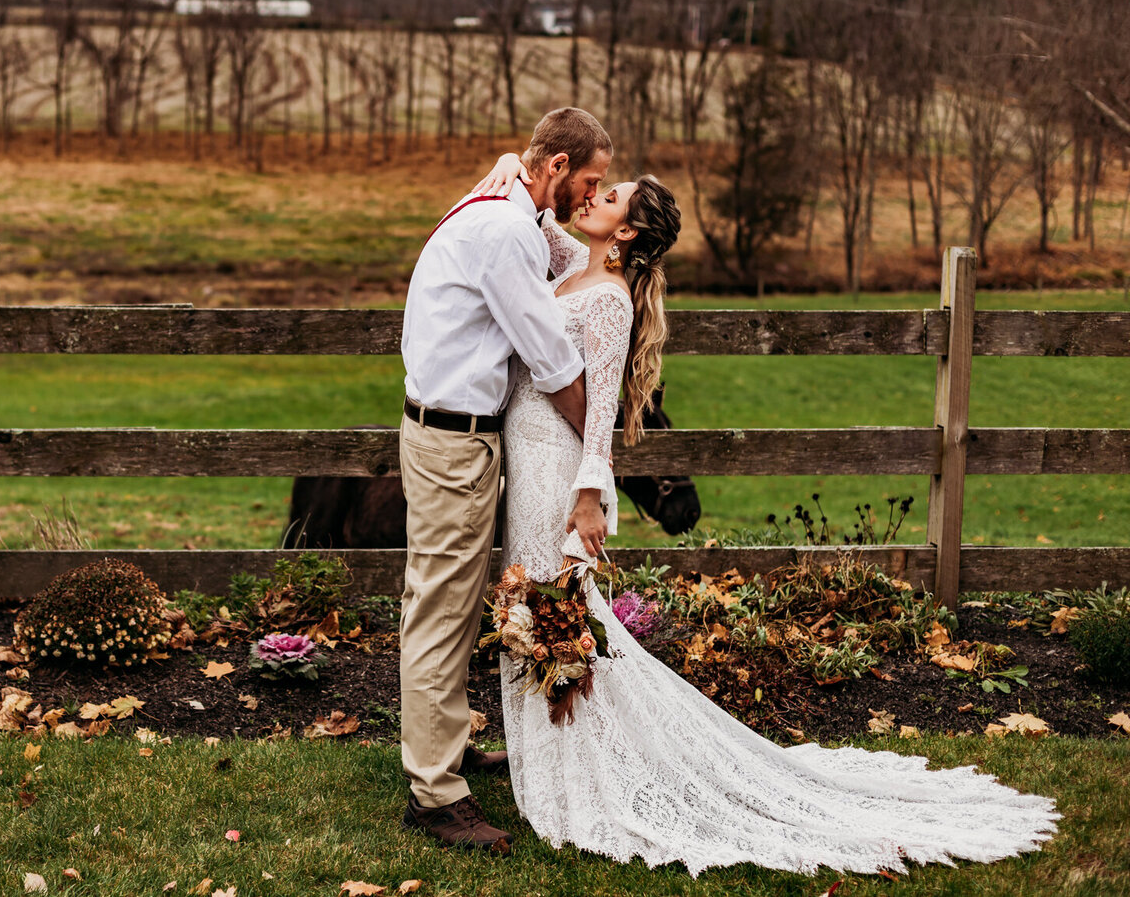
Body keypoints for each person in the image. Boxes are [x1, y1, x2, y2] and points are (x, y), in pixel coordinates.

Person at [470, 152, 1063, 877]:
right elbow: (540, 215)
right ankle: (546, 751)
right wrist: (513, 165)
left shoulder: (608, 300)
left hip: (558, 468)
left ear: (624, 234)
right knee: (531, 600)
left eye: (611, 195)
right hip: (524, 456)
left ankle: (575, 761)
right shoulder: (576, 264)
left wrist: (590, 496)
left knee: (552, 606)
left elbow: (600, 414)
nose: (593, 195)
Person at [397, 107, 613, 856]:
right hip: (453, 439)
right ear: (553, 167)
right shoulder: (507, 231)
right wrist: (599, 449)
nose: (591, 197)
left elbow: (563, 260)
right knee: (440, 609)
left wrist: (507, 162)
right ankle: (436, 794)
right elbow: (553, 362)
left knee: (452, 607)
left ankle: (445, 754)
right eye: (588, 181)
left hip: (451, 432)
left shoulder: (500, 207)